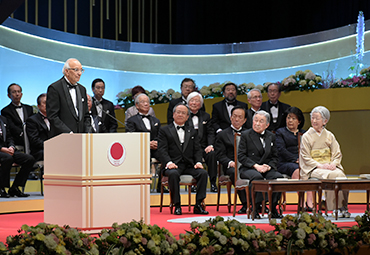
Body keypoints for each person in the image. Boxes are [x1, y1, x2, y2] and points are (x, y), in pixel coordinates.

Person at [158, 104, 209, 215]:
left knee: (203, 173)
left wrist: (199, 162)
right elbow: (162, 150)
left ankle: (198, 205)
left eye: (183, 113)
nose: (180, 115)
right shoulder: (164, 130)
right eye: (178, 112)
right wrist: (169, 163)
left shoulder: (193, 131)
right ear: (173, 114)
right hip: (172, 165)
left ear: (187, 117)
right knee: (173, 174)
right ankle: (177, 205)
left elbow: (197, 150)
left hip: (189, 165)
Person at [299, 106, 350, 218]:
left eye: (317, 118)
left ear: (325, 121)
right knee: (332, 176)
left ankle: (343, 207)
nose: (314, 121)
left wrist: (333, 164)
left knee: (341, 176)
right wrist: (321, 165)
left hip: (329, 166)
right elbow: (305, 157)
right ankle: (335, 208)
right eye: (312, 118)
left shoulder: (329, 135)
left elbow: (337, 153)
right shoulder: (307, 136)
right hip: (315, 168)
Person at [238, 110, 283, 219]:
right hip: (249, 168)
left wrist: (269, 166)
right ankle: (255, 208)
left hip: (265, 168)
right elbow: (241, 156)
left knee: (278, 178)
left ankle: (273, 208)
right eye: (255, 120)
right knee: (257, 177)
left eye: (261, 121)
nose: (257, 123)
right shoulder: (246, 135)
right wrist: (256, 166)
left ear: (267, 125)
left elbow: (275, 156)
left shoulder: (271, 136)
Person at [126, 94, 164, 193]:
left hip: (155, 148)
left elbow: (161, 136)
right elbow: (131, 138)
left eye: (148, 102)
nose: (146, 104)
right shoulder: (131, 121)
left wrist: (156, 143)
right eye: (143, 102)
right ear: (137, 105)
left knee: (165, 156)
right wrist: (147, 144)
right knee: (143, 158)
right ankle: (144, 186)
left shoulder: (156, 120)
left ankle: (162, 185)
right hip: (140, 149)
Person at [215, 105, 249, 214]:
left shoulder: (249, 133)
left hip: (247, 165)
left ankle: (257, 203)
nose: (237, 119)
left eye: (240, 117)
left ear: (244, 120)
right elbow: (220, 155)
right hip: (231, 166)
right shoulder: (222, 134)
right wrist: (230, 162)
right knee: (235, 172)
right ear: (231, 117)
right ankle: (245, 204)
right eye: (235, 116)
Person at [46, 58, 92, 137]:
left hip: (81, 139)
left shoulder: (82, 89)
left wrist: (87, 132)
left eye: (81, 70)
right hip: (62, 138)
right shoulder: (55, 88)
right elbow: (52, 116)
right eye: (76, 70)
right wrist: (69, 133)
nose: (79, 73)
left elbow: (86, 115)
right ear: (67, 71)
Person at [186, 92, 217, 192]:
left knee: (212, 154)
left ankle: (213, 183)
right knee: (191, 155)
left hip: (203, 146)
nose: (194, 103)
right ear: (188, 102)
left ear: (201, 103)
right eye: (192, 100)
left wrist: (210, 145)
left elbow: (210, 132)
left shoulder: (206, 116)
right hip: (189, 147)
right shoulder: (184, 116)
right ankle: (194, 183)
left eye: (197, 101)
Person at [0, 115, 35, 198]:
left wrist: (11, 147)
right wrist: (2, 149)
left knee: (29, 159)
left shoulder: (3, 119)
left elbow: (9, 137)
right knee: (8, 158)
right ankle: (2, 188)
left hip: (7, 150)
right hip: (2, 151)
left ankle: (15, 187)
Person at [275, 107, 305, 180]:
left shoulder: (304, 133)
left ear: (299, 121)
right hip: (285, 162)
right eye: (288, 118)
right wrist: (295, 159)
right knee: (298, 170)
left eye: (293, 118)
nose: (290, 120)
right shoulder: (280, 132)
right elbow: (281, 149)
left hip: (302, 161)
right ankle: (297, 191)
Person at [25, 93, 50, 161]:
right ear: (38, 106)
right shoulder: (32, 120)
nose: (47, 105)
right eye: (44, 103)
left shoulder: (55, 119)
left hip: (54, 148)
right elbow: (34, 140)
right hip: (39, 151)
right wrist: (50, 146)